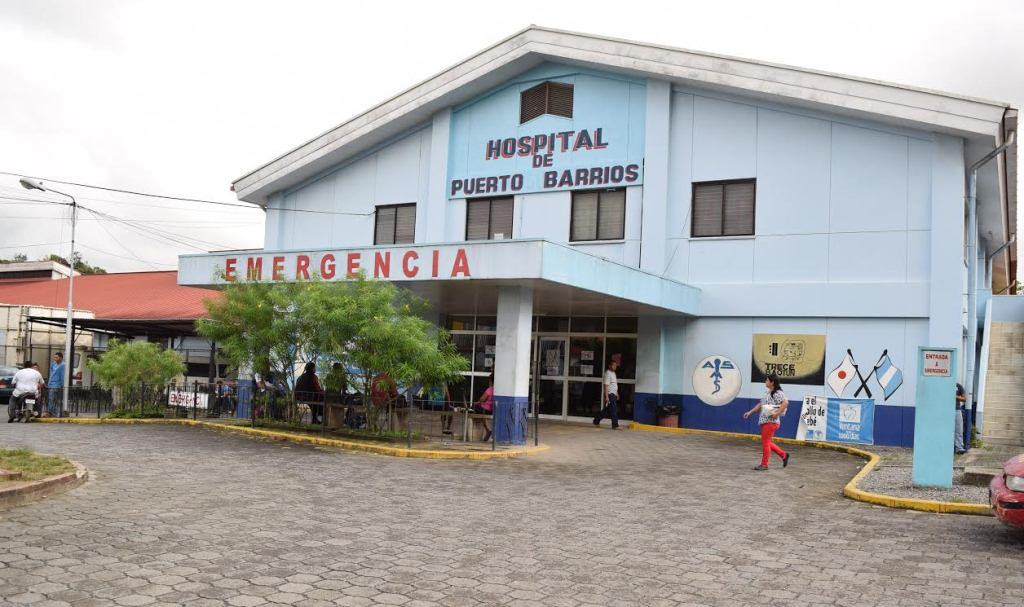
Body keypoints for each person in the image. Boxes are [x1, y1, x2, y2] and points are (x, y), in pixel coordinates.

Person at [743, 373, 790, 471]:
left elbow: (785, 403)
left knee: (766, 443)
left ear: (772, 382)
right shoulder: (768, 392)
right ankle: (783, 455)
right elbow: (760, 404)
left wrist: (777, 413)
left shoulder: (778, 393)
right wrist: (750, 412)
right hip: (766, 421)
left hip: (771, 422)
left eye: (767, 380)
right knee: (767, 442)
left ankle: (764, 464)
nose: (765, 381)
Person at [593, 358, 620, 429]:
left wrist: (617, 393)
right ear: (609, 366)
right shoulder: (608, 373)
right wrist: (607, 396)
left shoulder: (613, 373)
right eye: (613, 365)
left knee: (607, 410)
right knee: (614, 409)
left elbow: (614, 384)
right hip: (610, 394)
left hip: (614, 394)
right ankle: (615, 425)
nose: (615, 367)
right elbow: (606, 385)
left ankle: (596, 420)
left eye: (616, 365)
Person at [474, 373, 493, 442]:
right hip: (490, 409)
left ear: (490, 381)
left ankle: (487, 429)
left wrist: (479, 402)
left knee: (473, 407)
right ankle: (487, 430)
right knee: (480, 413)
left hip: (485, 409)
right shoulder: (497, 390)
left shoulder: (490, 389)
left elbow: (482, 399)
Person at [954, 383, 967, 455]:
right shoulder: (944, 384)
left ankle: (959, 448)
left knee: (959, 430)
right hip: (945, 410)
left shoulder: (958, 386)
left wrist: (955, 396)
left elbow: (964, 399)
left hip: (957, 410)